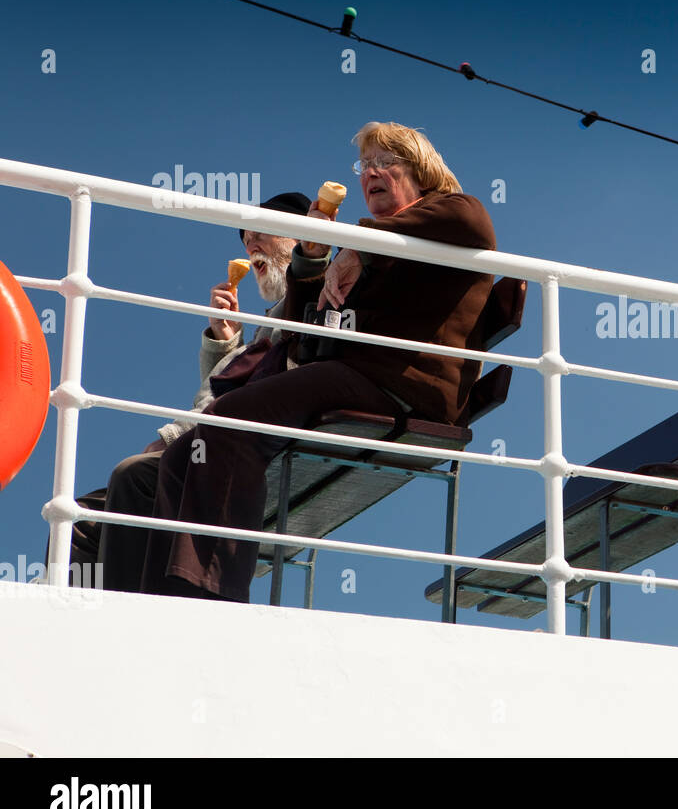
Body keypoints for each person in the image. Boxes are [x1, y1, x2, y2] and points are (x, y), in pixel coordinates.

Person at [134, 122, 496, 601]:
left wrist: (358, 249)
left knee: (231, 419)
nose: (371, 173)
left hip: (407, 385)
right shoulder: (371, 245)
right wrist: (313, 259)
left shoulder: (450, 213)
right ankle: (159, 594)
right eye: (364, 165)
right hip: (355, 375)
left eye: (385, 162)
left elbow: (473, 223)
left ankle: (214, 592)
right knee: (186, 449)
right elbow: (304, 342)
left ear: (420, 170)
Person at [85, 192, 317, 590]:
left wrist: (176, 438)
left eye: (262, 234)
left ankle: (122, 615)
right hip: (218, 439)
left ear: (300, 238)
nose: (251, 245)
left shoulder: (313, 293)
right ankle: (71, 620)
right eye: (246, 240)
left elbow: (265, 387)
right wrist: (225, 341)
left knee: (134, 478)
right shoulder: (264, 326)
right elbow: (226, 389)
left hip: (257, 445)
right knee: (83, 518)